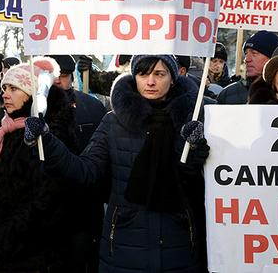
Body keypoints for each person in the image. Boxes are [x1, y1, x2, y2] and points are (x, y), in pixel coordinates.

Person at [24, 54, 210, 273]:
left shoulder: (193, 120)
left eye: (159, 74)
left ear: (173, 78)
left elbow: (201, 181)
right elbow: (86, 171)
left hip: (179, 247)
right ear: (134, 77)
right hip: (123, 247)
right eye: (143, 74)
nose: (150, 82)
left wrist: (196, 149)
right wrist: (46, 141)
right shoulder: (113, 122)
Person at [0, 57, 79, 273]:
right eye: (4, 88)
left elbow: (48, 199)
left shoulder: (48, 134)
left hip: (31, 252)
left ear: (32, 94)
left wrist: (9, 235)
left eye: (14, 88)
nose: (5, 94)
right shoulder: (3, 128)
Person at [50, 54, 108, 273]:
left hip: (85, 204)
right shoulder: (33, 108)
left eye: (63, 75)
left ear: (72, 77)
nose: (57, 80)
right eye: (52, 75)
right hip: (47, 206)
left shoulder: (92, 106)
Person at [217, 31, 278, 104]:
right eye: (246, 54)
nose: (247, 59)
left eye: (254, 53)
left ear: (272, 58)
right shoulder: (227, 94)